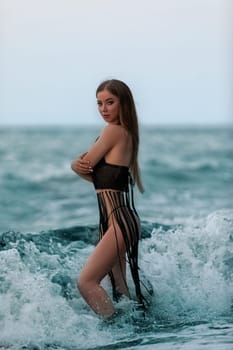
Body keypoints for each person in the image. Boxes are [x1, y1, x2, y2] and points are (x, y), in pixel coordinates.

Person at [71, 79, 146, 318]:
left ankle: (114, 331)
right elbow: (102, 182)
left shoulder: (113, 131)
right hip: (118, 221)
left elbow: (87, 164)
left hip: (119, 221)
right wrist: (78, 165)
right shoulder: (125, 133)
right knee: (121, 292)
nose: (104, 109)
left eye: (110, 102)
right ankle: (134, 334)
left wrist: (75, 164)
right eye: (99, 103)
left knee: (86, 282)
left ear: (123, 104)